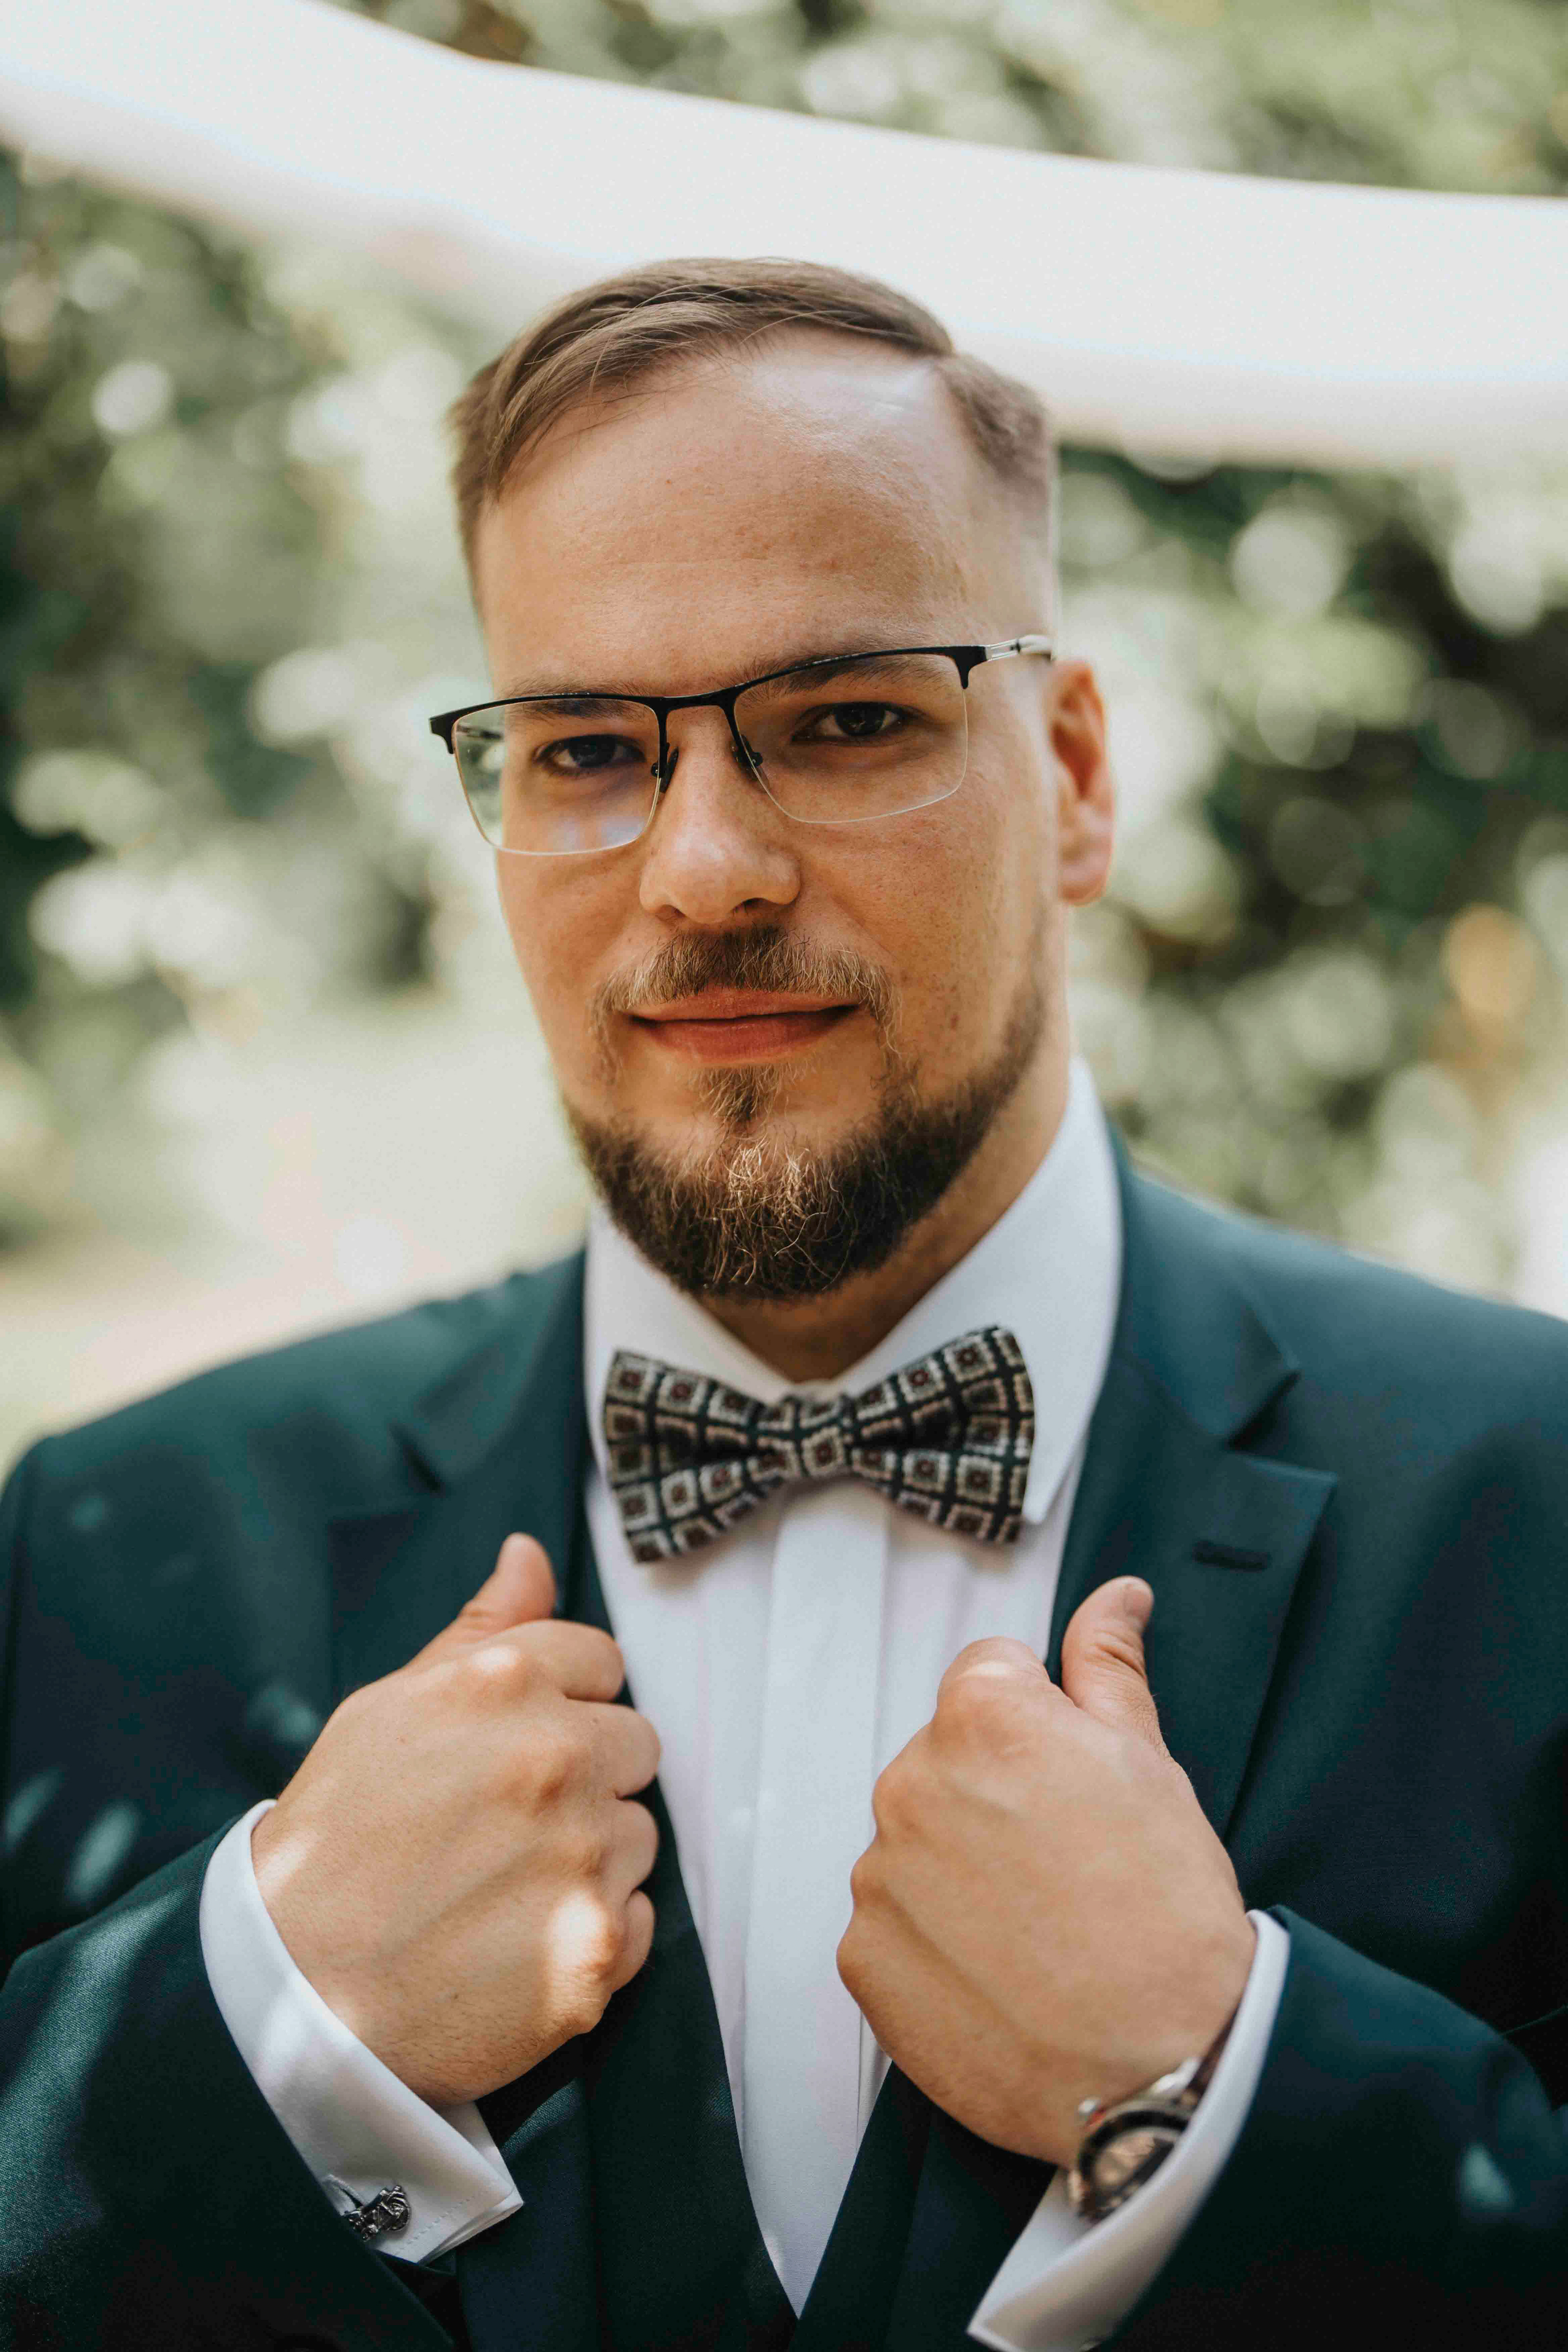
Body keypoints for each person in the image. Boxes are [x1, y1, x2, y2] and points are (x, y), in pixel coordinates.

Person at [1, 258, 1566, 2352]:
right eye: (586, 748)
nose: (704, 871)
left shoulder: (1537, 1498)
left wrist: (1214, 2088)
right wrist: (269, 2024)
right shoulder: (110, 1553)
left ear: (1075, 776)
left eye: (846, 720)